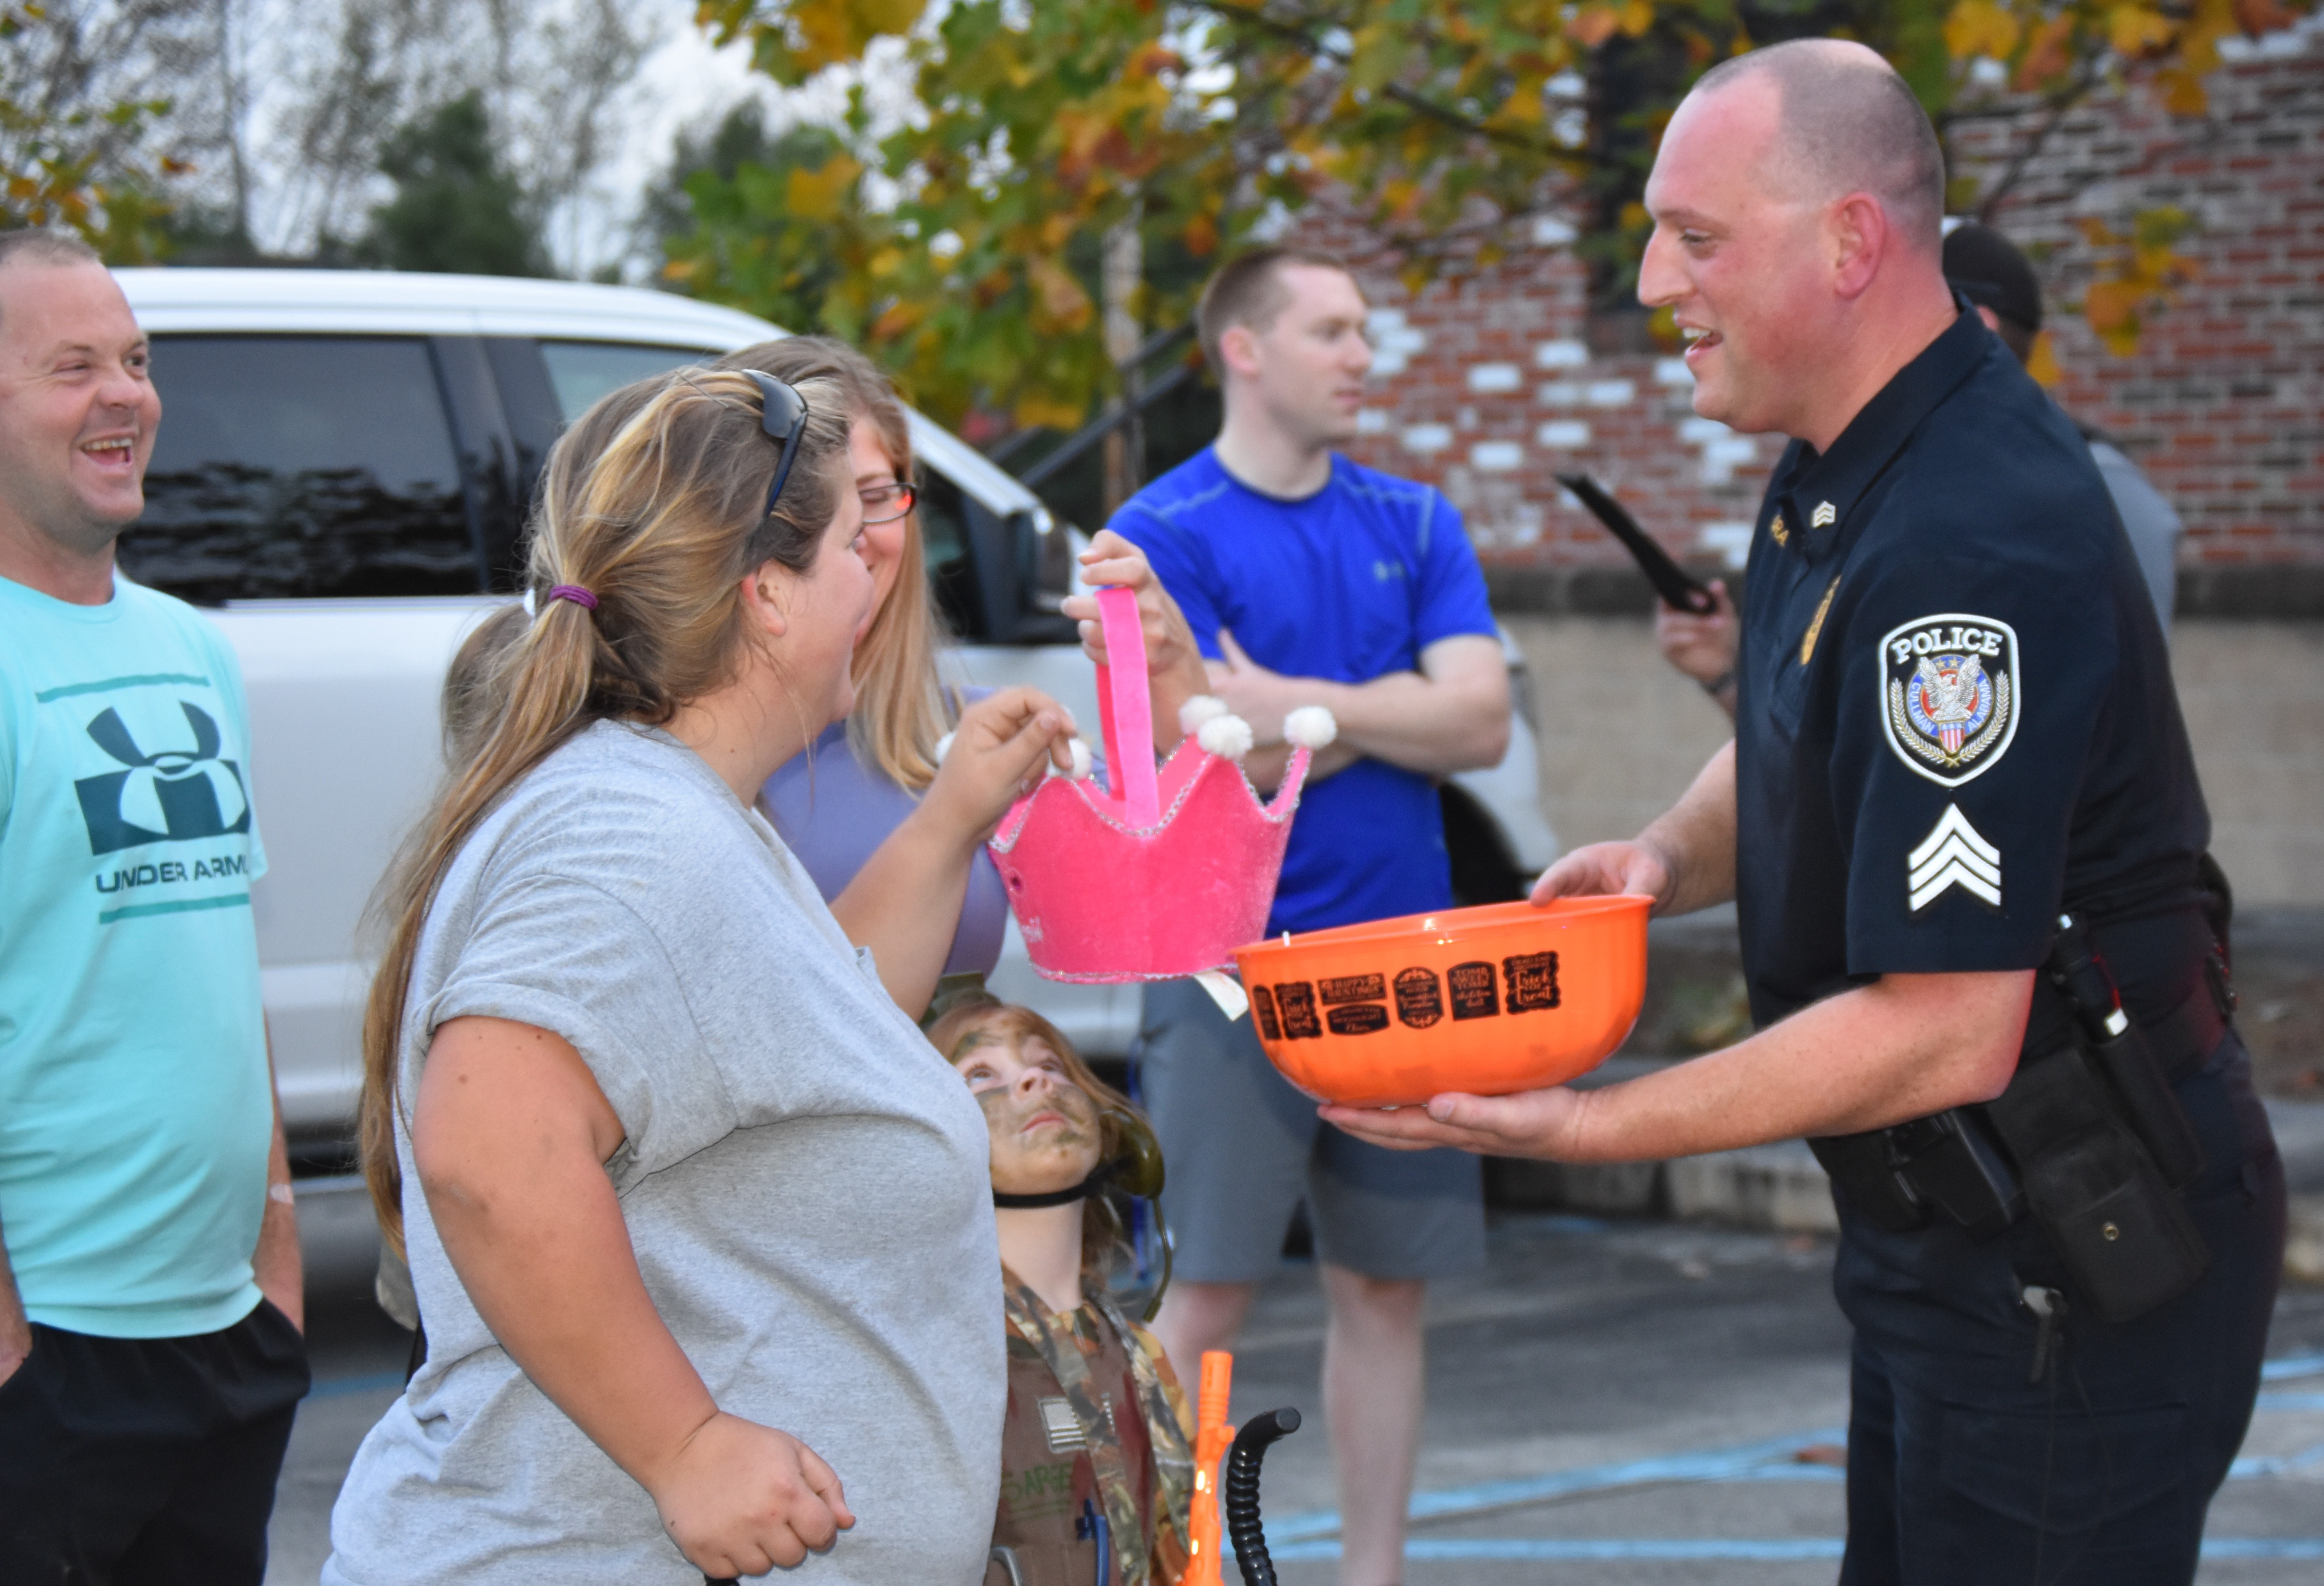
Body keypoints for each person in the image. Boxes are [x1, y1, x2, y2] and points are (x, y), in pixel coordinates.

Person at [1327, 41, 2282, 1586]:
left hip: (2070, 1261)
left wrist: (1589, 1121)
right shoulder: (1839, 466)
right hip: (1950, 1246)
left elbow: (1945, 1024)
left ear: (1849, 243)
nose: (1650, 280)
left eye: (1695, 238)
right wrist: (1659, 858)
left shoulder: (1976, 537)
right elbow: (1793, 729)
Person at [328, 366, 1068, 1582]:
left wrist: (950, 819)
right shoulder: (634, 834)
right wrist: (683, 1446)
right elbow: (490, 1151)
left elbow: (820, 1039)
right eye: (849, 543)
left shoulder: (681, 809)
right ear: (766, 594)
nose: (874, 575)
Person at [1106, 245, 1513, 1584]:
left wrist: (1281, 702)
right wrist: (1357, 713)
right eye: (1332, 329)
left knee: (1386, 1286)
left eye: (1362, 330)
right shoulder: (1161, 530)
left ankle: (1374, 1571)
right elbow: (1180, 748)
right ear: (1244, 347)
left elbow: (1480, 716)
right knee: (1206, 1290)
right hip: (1227, 970)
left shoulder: (1414, 519)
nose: (1360, 354)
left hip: (1402, 969)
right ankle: (1176, 1565)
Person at [0, 229, 308, 1583]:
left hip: (229, 1334)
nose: (126, 395)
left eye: (135, 360)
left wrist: (281, 1244)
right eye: (73, 368)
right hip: (54, 1350)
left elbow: (217, 954)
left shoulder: (194, 649)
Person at [723, 338, 1211, 1020]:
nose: (852, 534)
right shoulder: (666, 753)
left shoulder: (973, 739)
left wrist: (1168, 673)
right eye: (809, 508)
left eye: (873, 495)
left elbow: (1187, 909)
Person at [1657, 221, 2188, 715]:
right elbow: (1820, 770)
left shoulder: (2092, 492)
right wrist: (1728, 674)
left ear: (1973, 327)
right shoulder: (1878, 493)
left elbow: (2086, 734)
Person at [929, 992, 1194, 1586]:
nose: (1034, 1083)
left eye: (1049, 1065)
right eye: (981, 1075)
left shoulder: (1140, 1360)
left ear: (1113, 1129)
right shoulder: (933, 1353)